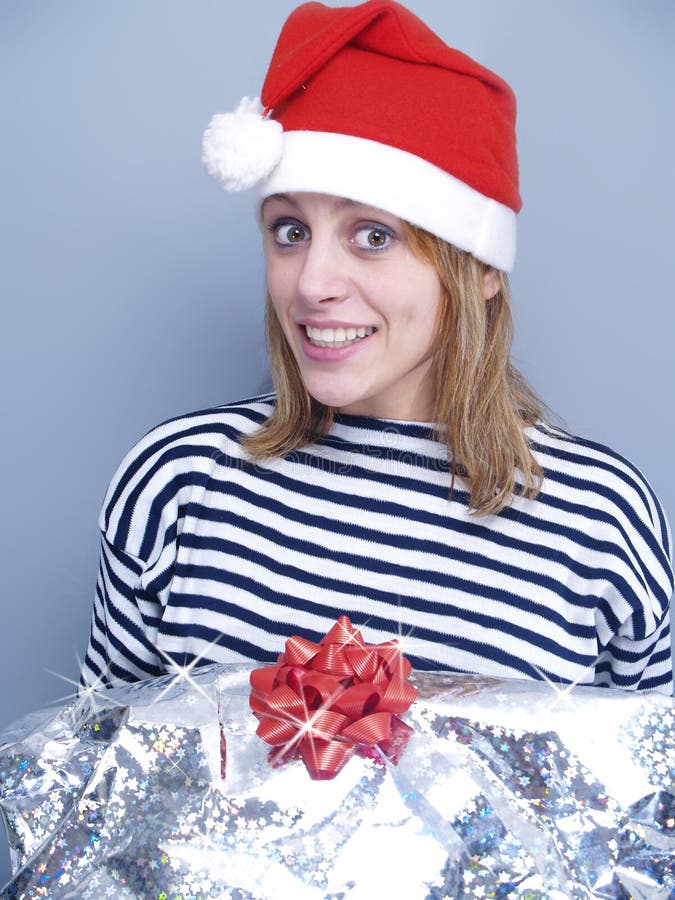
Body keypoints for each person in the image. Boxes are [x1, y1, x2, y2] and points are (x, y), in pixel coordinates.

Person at [81, 0, 673, 695]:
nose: (312, 283)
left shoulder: (596, 519)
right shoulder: (179, 481)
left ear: (479, 268)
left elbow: (649, 789)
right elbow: (97, 769)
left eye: (373, 236)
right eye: (289, 230)